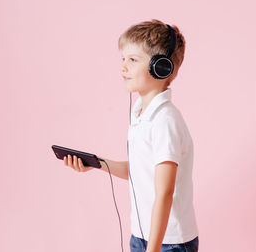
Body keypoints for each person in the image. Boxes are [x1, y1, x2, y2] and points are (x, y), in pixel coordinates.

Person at [64, 19, 199, 252]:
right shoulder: (140, 113)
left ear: (161, 67)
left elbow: (165, 192)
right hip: (142, 235)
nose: (123, 67)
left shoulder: (165, 121)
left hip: (169, 242)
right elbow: (138, 170)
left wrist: (153, 249)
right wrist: (97, 164)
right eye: (123, 59)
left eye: (133, 60)